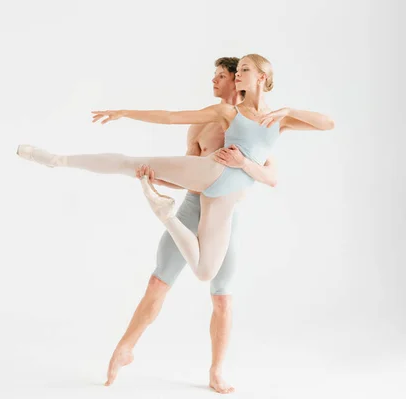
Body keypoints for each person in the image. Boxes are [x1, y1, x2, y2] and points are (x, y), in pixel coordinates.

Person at [17, 53, 334, 282]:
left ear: (262, 77)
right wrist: (125, 112)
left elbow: (327, 124)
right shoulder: (226, 111)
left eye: (245, 70)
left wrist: (287, 110)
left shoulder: (282, 119)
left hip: (229, 194)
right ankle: (56, 160)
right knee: (131, 164)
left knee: (204, 272)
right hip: (212, 171)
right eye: (237, 71)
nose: (238, 74)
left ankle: (164, 214)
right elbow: (171, 116)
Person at [103, 57, 277, 394]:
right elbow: (183, 161)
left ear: (238, 82)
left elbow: (271, 175)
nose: (216, 81)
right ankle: (125, 349)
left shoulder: (253, 124)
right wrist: (157, 179)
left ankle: (216, 371)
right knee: (158, 281)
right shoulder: (202, 124)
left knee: (222, 298)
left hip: (225, 216)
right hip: (191, 208)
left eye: (223, 76)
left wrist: (243, 163)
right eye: (218, 75)